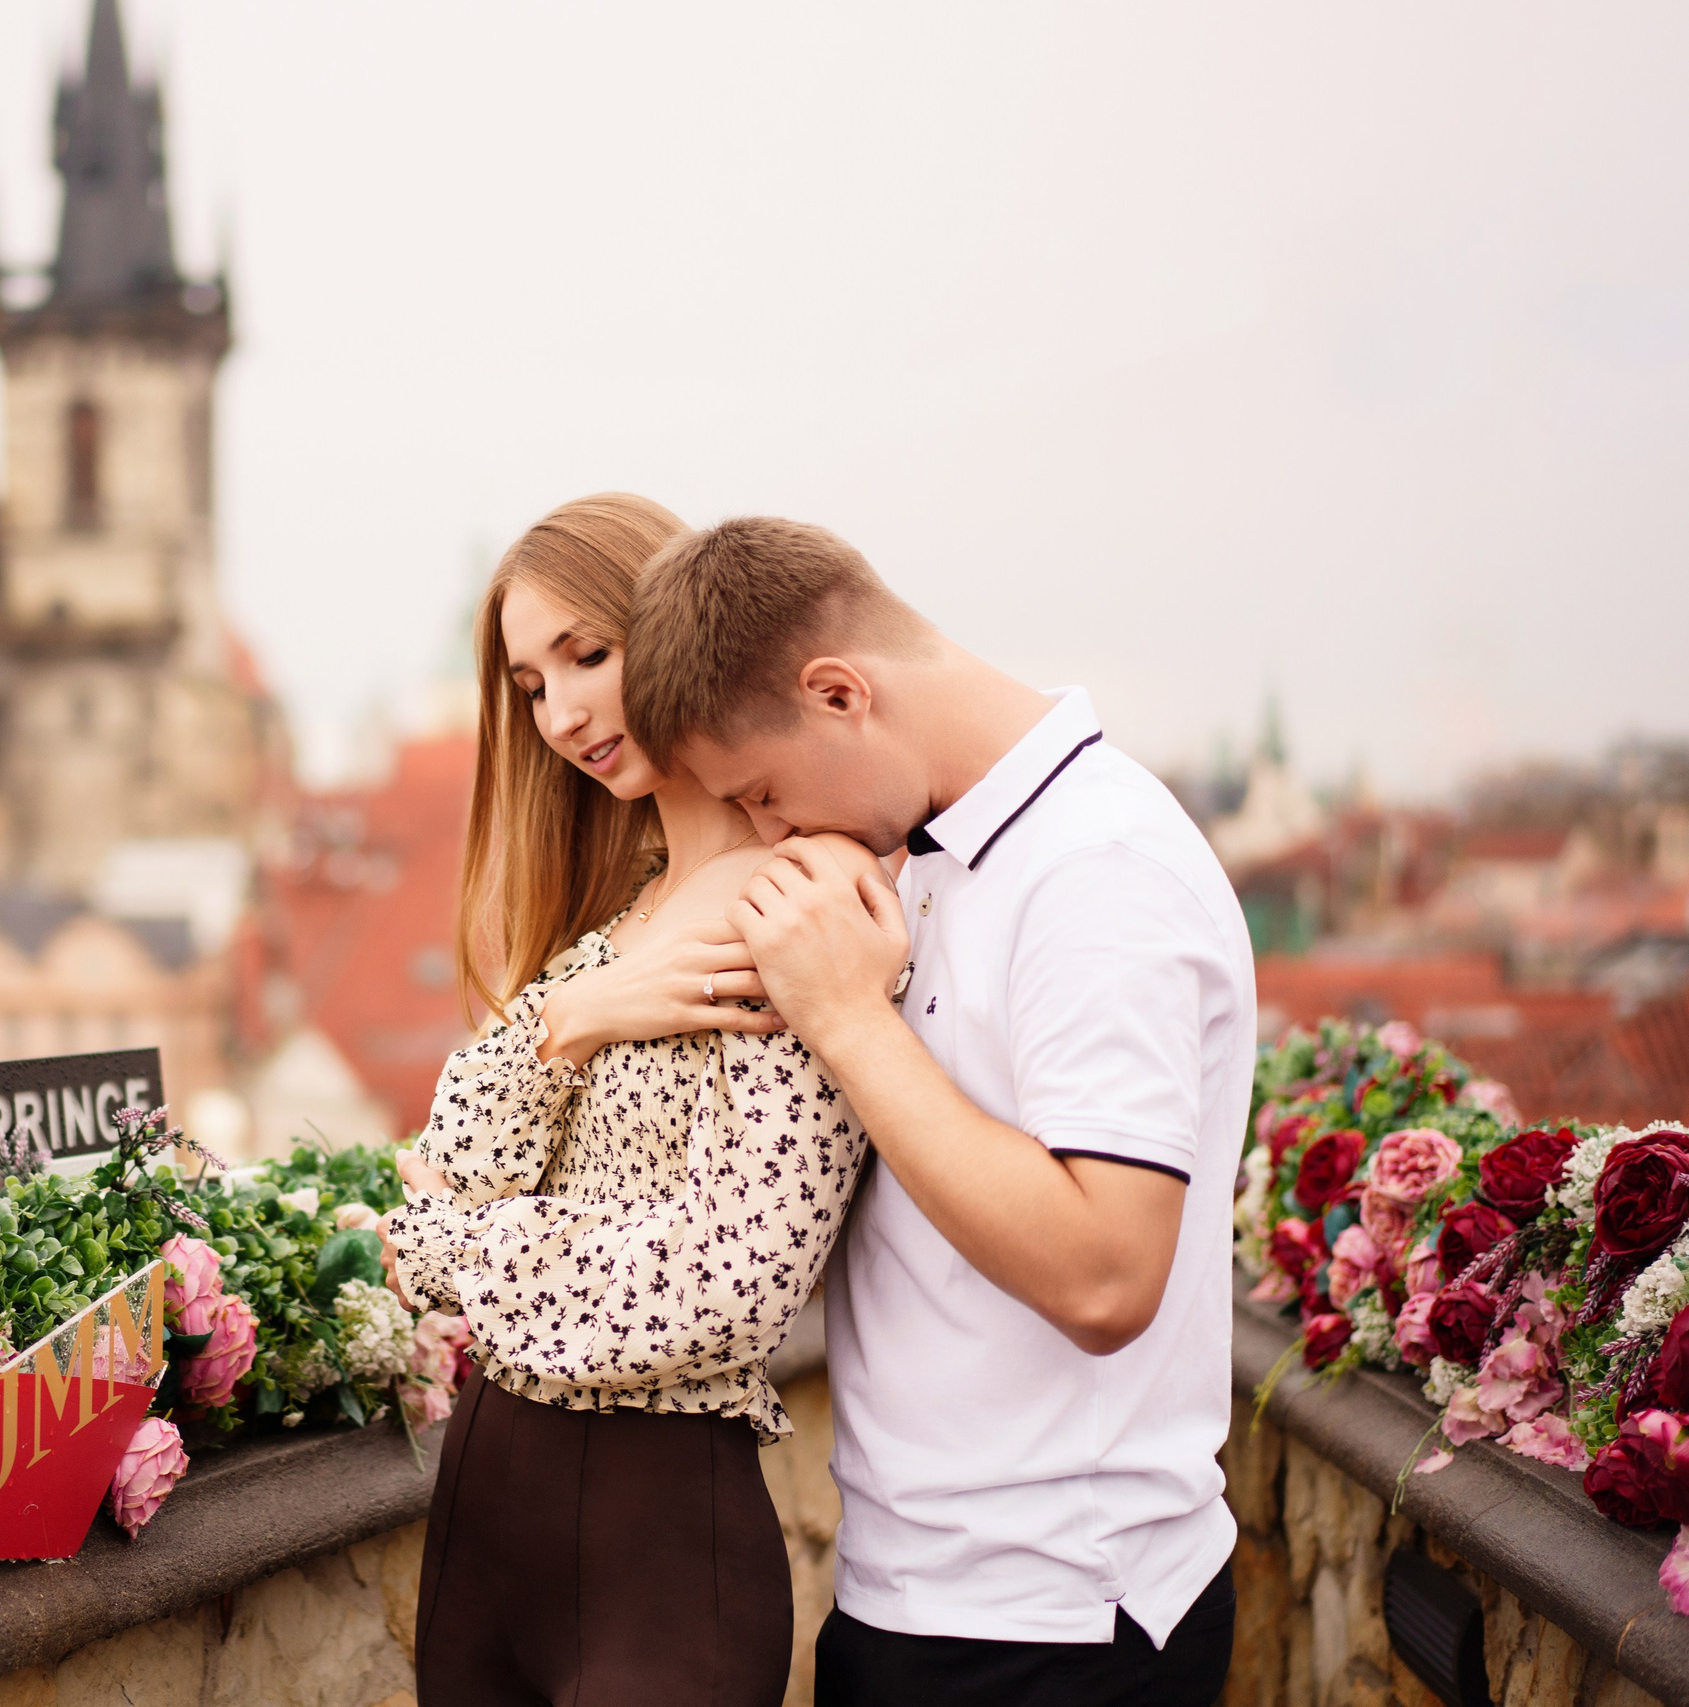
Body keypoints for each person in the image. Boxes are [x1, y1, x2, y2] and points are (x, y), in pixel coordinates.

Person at [621, 517, 1253, 1707]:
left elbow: (1108, 1277)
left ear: (839, 692)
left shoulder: (1095, 871)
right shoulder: (939, 855)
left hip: (1057, 1626)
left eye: (760, 791)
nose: (768, 831)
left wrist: (846, 1020)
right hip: (922, 1597)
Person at [381, 493, 871, 1707]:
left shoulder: (797, 909)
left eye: (586, 657)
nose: (561, 715)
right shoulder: (615, 928)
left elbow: (726, 1283)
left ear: (671, 628)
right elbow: (464, 1153)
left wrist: (439, 1246)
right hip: (484, 1511)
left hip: (656, 1534)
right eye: (530, 684)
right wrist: (572, 1020)